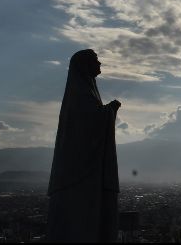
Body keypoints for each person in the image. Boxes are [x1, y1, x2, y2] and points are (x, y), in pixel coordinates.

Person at [47, 49, 121, 243]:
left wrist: (107, 111)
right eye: (96, 60)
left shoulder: (84, 91)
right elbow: (90, 124)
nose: (100, 63)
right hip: (80, 173)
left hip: (83, 172)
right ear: (85, 65)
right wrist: (110, 110)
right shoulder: (81, 94)